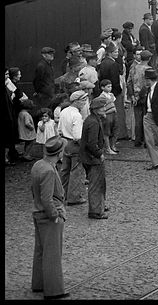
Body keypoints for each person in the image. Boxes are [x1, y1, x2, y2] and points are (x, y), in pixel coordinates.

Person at [30, 136, 69, 299]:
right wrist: (55, 215)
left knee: (40, 251)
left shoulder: (38, 165)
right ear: (59, 153)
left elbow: (34, 191)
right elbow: (47, 198)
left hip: (38, 213)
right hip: (48, 217)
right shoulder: (48, 170)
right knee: (52, 254)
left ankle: (38, 284)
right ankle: (54, 290)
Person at [81, 94, 110, 219]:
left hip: (89, 157)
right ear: (96, 109)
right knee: (96, 184)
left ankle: (99, 205)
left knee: (98, 183)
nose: (105, 109)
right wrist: (99, 154)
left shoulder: (92, 119)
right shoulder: (93, 122)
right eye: (103, 107)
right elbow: (91, 143)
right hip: (92, 158)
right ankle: (96, 210)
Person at [56, 90, 87, 205]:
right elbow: (77, 136)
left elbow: (59, 129)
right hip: (75, 145)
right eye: (83, 100)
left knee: (64, 170)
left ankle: (61, 195)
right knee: (76, 171)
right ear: (77, 101)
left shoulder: (63, 111)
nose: (84, 103)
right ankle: (74, 197)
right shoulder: (77, 115)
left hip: (64, 142)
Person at [33, 47, 57, 111]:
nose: (52, 55)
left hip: (50, 94)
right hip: (44, 95)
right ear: (43, 55)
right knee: (45, 112)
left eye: (52, 53)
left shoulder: (49, 65)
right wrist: (38, 92)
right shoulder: (41, 66)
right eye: (49, 53)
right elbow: (37, 80)